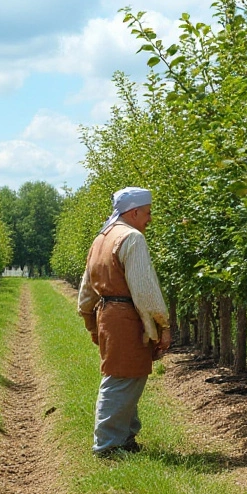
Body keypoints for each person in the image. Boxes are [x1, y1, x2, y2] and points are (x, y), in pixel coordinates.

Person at [77, 186, 171, 457]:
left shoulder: (101, 239)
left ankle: (126, 438)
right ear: (134, 212)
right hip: (127, 317)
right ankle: (107, 445)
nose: (149, 220)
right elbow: (144, 289)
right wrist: (162, 325)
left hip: (107, 314)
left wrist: (89, 320)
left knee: (128, 375)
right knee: (120, 379)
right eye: (148, 213)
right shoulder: (131, 238)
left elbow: (87, 288)